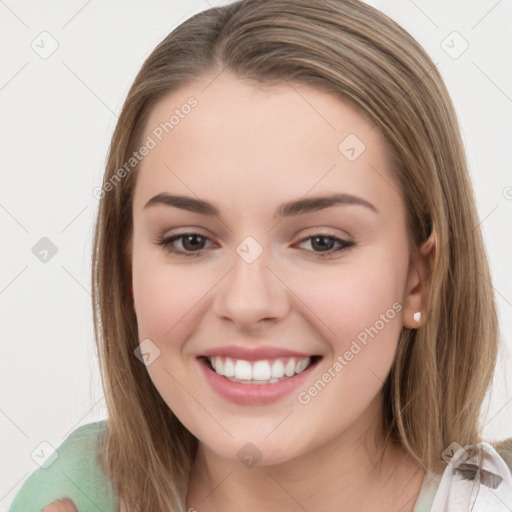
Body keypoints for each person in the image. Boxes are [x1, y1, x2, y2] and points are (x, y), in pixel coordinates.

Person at [8, 0, 512, 511]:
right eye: (190, 241)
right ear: (130, 271)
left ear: (418, 280)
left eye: (322, 242)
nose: (247, 303)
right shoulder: (71, 490)